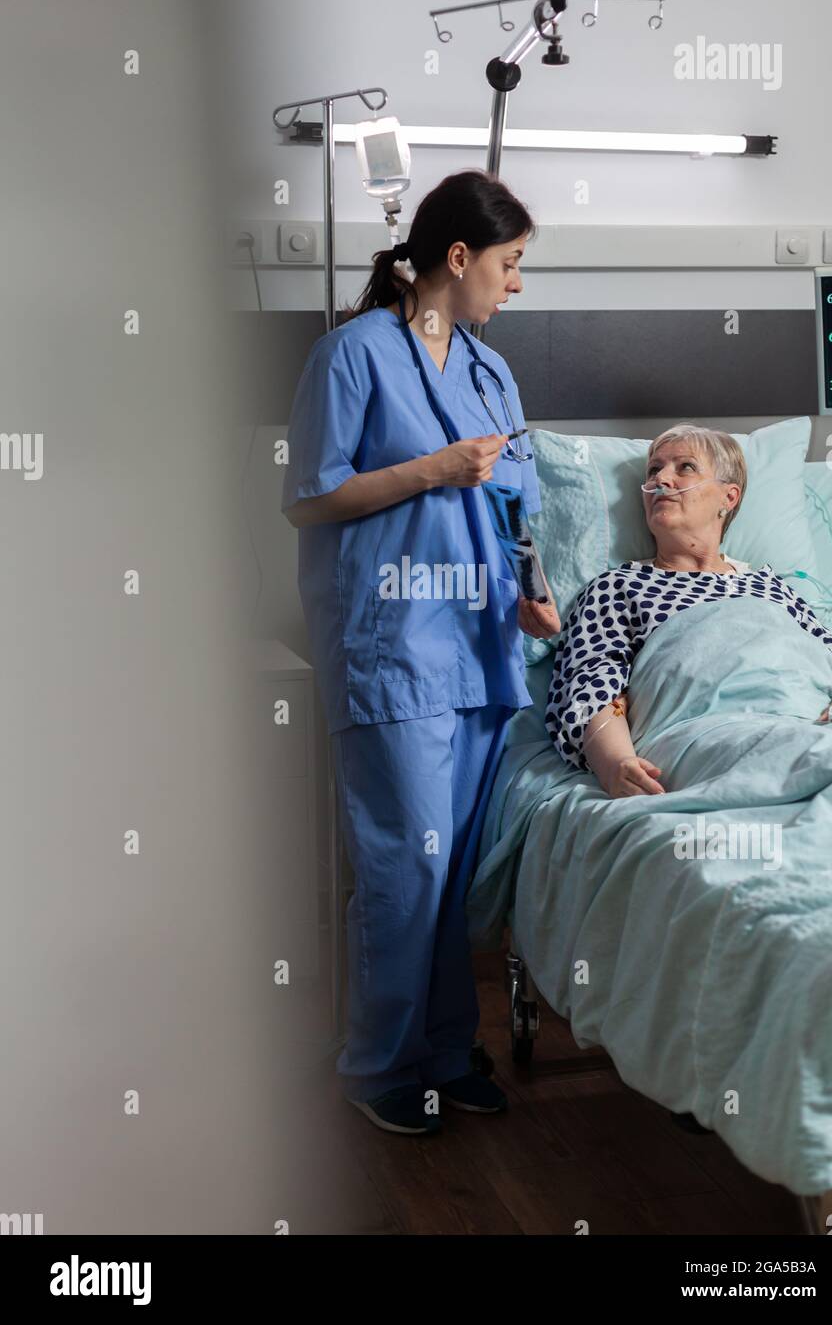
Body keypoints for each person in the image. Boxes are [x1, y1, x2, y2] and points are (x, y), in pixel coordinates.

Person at [282, 169, 560, 1134]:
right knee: (404, 864)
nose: (516, 285)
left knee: (454, 872)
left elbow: (517, 503)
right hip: (392, 644)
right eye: (510, 263)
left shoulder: (490, 371)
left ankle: (445, 1051)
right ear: (458, 258)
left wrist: (535, 590)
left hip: (482, 647)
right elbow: (309, 498)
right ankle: (378, 1066)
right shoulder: (350, 356)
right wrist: (431, 470)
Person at [546, 424, 832, 797]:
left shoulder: (771, 587)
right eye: (653, 470)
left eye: (684, 468)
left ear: (728, 498)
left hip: (810, 720)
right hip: (704, 733)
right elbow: (591, 684)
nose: (661, 479)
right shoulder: (618, 586)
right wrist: (614, 764)